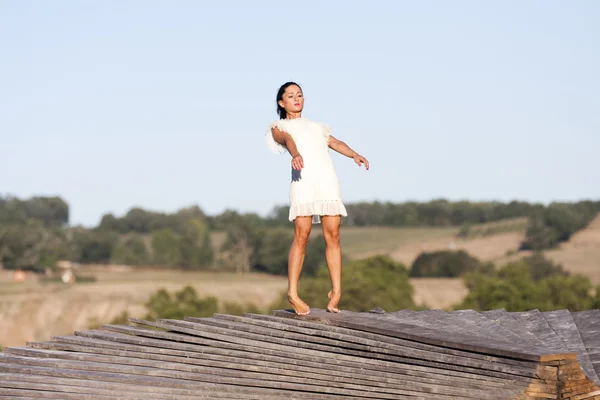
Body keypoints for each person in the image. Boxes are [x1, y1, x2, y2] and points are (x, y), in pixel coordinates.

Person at [265, 81, 369, 315]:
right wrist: (296, 153)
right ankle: (292, 292)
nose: (296, 99)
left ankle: (336, 292)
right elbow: (288, 140)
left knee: (333, 235)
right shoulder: (278, 126)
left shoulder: (318, 127)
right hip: (303, 182)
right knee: (302, 236)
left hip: (327, 182)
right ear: (282, 102)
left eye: (299, 95)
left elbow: (335, 143)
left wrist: (355, 154)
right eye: (290, 96)